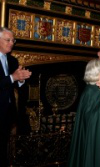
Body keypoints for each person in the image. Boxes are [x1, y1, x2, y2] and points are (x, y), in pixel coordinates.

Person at [0, 27, 32, 167]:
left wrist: (20, 79)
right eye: (8, 40)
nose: (11, 43)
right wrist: (13, 77)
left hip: (8, 113)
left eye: (13, 40)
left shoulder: (12, 60)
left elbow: (16, 85)